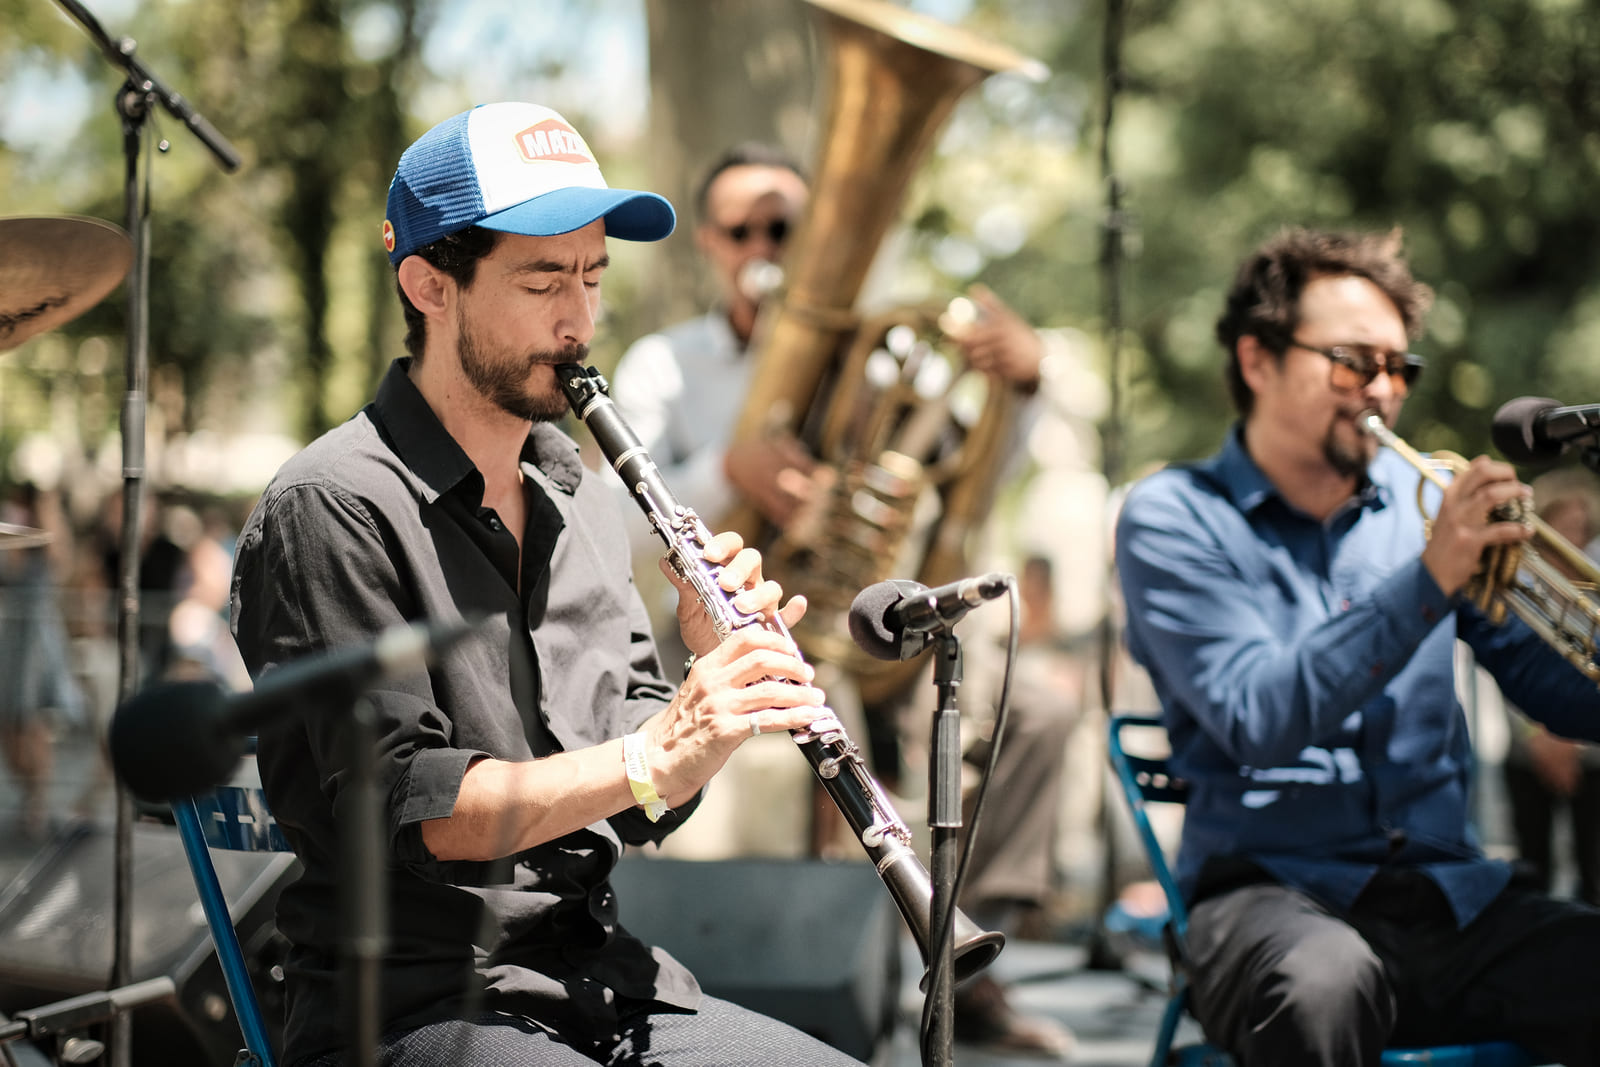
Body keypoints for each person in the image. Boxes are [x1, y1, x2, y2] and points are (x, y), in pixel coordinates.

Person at [229, 101, 863, 1067]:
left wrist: (710, 694)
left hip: (598, 978)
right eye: (542, 282)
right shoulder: (332, 505)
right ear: (429, 285)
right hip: (409, 1005)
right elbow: (416, 806)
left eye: (592, 277)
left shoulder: (584, 497)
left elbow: (646, 798)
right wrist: (653, 751)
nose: (579, 321)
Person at [613, 145, 1079, 1056]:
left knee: (1040, 712)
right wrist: (726, 472)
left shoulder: (890, 354)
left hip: (866, 623)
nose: (763, 246)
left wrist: (1023, 386)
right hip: (718, 635)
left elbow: (976, 474)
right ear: (709, 241)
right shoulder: (664, 365)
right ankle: (763, 981)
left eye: (785, 228)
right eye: (742, 229)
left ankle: (959, 959)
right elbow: (616, 529)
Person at [1115, 225, 1600, 1065]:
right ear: (1258, 359)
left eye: (1398, 368)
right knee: (1322, 985)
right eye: (1352, 362)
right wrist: (1429, 577)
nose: (1382, 388)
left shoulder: (1421, 498)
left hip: (1449, 895)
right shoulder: (1174, 516)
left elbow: (1551, 689)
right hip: (1268, 896)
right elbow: (1256, 715)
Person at [1502, 473, 1600, 906]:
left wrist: (1571, 741)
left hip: (1589, 757)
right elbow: (1502, 660)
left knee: (1594, 869)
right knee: (1532, 867)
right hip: (1527, 752)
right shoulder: (1516, 578)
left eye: (1581, 526)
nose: (1573, 536)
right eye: (1564, 524)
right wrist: (1540, 736)